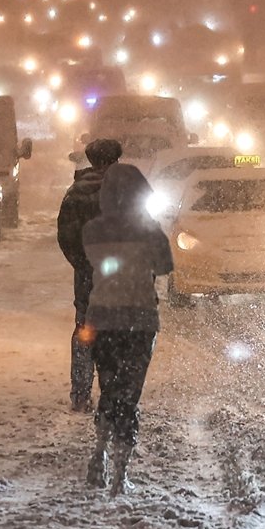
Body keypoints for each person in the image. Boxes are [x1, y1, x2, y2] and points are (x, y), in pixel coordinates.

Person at [81, 163, 172, 496]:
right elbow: (165, 266)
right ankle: (120, 474)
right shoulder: (149, 232)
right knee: (128, 395)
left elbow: (88, 262)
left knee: (108, 386)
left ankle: (99, 451)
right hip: (139, 319)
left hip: (103, 319)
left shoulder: (92, 230)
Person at [57, 138, 122, 412]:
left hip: (87, 275)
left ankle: (81, 394)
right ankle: (113, 392)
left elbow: (66, 236)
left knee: (85, 329)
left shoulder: (76, 192)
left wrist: (82, 263)